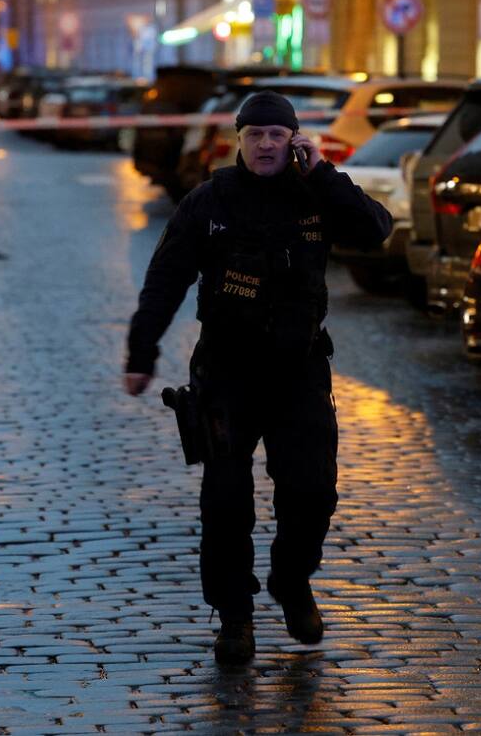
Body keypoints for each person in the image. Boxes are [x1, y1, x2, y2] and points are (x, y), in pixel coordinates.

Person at [124, 91, 392, 666]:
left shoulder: (315, 193)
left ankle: (292, 581)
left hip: (298, 370)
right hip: (226, 370)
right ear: (239, 140)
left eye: (278, 135)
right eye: (255, 135)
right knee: (225, 501)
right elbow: (165, 279)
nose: (266, 144)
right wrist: (141, 351)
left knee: (313, 492)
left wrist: (322, 171)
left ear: (293, 141)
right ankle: (235, 618)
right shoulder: (210, 201)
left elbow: (375, 231)